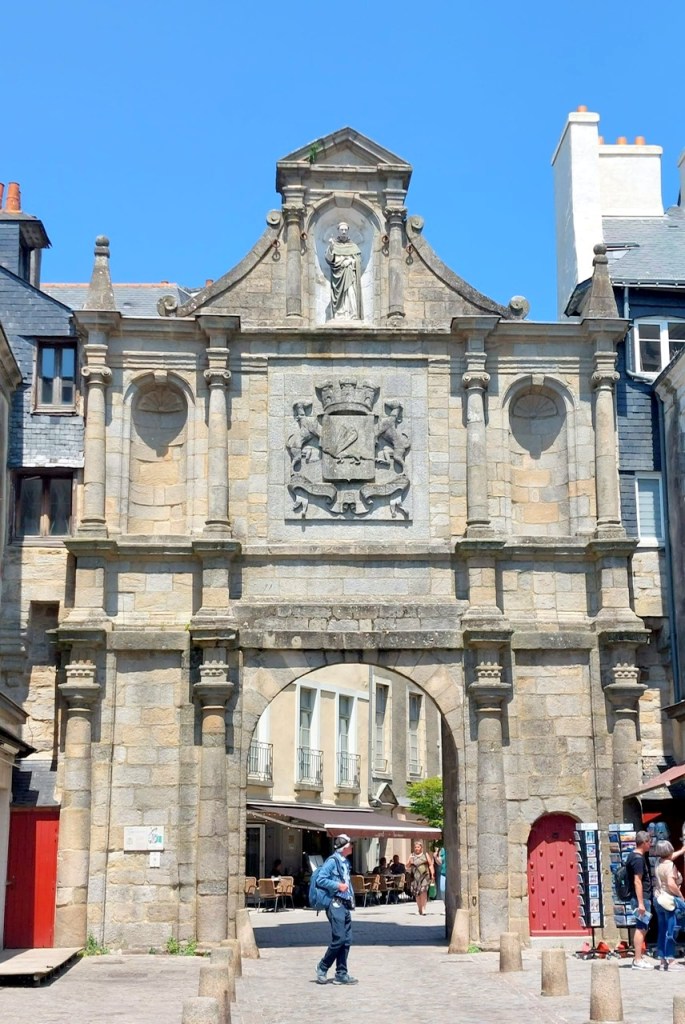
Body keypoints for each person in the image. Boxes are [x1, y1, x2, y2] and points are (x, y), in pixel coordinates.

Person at [315, 834, 358, 986]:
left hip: (344, 904)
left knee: (347, 940)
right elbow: (321, 879)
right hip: (335, 903)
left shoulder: (345, 862)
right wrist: (337, 886)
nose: (352, 847)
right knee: (339, 938)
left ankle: (341, 973)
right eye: (350, 845)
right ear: (344, 847)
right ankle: (322, 966)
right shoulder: (332, 861)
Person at [653, 839, 684, 970]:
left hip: (658, 898)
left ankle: (662, 960)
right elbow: (671, 884)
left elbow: (669, 857)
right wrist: (680, 896)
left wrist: (682, 850)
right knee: (672, 929)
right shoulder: (670, 865)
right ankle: (671, 959)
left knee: (662, 929)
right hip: (668, 899)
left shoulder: (658, 862)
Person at [626, 830, 653, 969]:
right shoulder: (637, 859)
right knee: (641, 928)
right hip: (640, 899)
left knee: (643, 927)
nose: (650, 845)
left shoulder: (633, 855)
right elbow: (637, 881)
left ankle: (639, 957)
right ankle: (637, 959)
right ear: (643, 842)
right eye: (649, 842)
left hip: (640, 898)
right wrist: (641, 902)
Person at [325, 222, 362, 320]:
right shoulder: (334, 245)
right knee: (339, 295)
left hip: (349, 273)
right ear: (338, 231)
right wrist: (331, 247)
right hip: (338, 275)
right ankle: (340, 313)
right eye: (342, 230)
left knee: (351, 293)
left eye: (346, 230)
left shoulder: (353, 246)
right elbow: (329, 259)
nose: (344, 232)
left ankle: (352, 313)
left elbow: (358, 261)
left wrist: (350, 261)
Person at [407, 839, 435, 916]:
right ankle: (419, 909)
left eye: (418, 847)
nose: (416, 848)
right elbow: (407, 866)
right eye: (415, 847)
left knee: (423, 892)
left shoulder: (425, 855)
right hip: (415, 877)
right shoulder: (411, 855)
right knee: (417, 893)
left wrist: (432, 874)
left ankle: (423, 909)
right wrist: (410, 862)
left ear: (421, 848)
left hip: (424, 876)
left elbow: (430, 864)